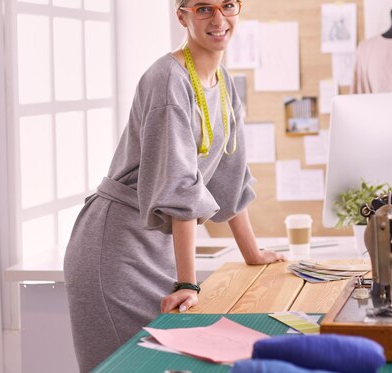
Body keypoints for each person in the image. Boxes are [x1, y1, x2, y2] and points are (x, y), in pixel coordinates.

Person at [63, 0, 284, 371]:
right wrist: (188, 283)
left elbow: (229, 178)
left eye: (228, 5)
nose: (219, 19)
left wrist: (253, 254)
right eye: (203, 8)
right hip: (117, 250)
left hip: (157, 246)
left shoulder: (223, 81)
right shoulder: (168, 80)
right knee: (130, 367)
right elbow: (179, 188)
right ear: (182, 16)